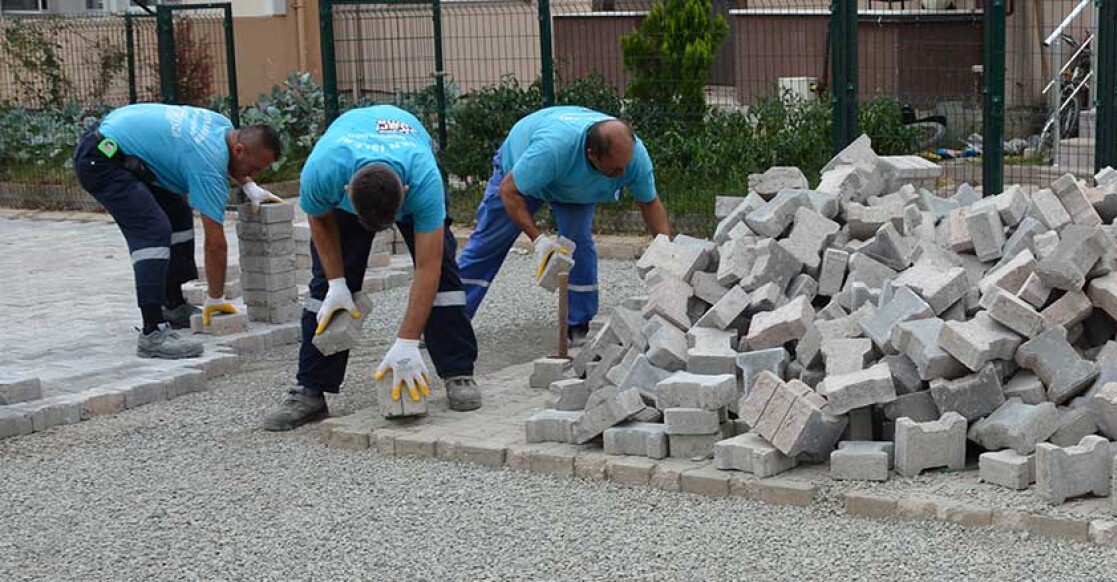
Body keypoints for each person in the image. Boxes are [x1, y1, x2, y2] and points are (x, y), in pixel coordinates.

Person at [262, 104, 481, 432]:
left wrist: (407, 341)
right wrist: (337, 283)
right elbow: (320, 220)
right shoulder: (323, 169)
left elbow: (428, 266)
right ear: (346, 193)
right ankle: (310, 389)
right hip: (349, 162)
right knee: (325, 292)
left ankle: (458, 372)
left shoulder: (424, 180)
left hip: (407, 154)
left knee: (446, 281)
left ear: (405, 194)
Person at [72, 103, 282, 359]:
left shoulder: (222, 126)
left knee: (178, 215)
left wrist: (249, 185)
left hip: (122, 144)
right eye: (255, 168)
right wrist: (215, 299)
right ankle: (152, 333)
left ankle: (172, 304)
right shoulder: (208, 165)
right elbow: (215, 243)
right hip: (102, 159)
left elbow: (230, 162)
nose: (255, 174)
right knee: (153, 230)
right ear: (238, 149)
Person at [457, 105, 671, 344]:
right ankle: (448, 319)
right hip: (521, 175)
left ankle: (578, 324)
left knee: (578, 244)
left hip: (574, 186)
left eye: (626, 166)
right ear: (592, 155)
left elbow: (649, 203)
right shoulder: (551, 150)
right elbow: (509, 191)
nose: (623, 174)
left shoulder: (633, 158)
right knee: (488, 244)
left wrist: (665, 253)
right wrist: (539, 241)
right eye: (615, 169)